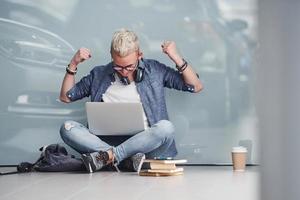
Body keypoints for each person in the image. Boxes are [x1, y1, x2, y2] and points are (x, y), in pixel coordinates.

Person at [59, 28, 203, 173]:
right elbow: (66, 97)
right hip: (104, 143)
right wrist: (73, 64)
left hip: (146, 148)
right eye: (118, 66)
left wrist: (175, 56)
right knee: (68, 128)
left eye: (129, 66)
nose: (124, 71)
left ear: (139, 55)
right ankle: (125, 160)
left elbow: (195, 86)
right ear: (111, 56)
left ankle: (110, 157)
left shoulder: (155, 70)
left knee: (166, 128)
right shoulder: (99, 74)